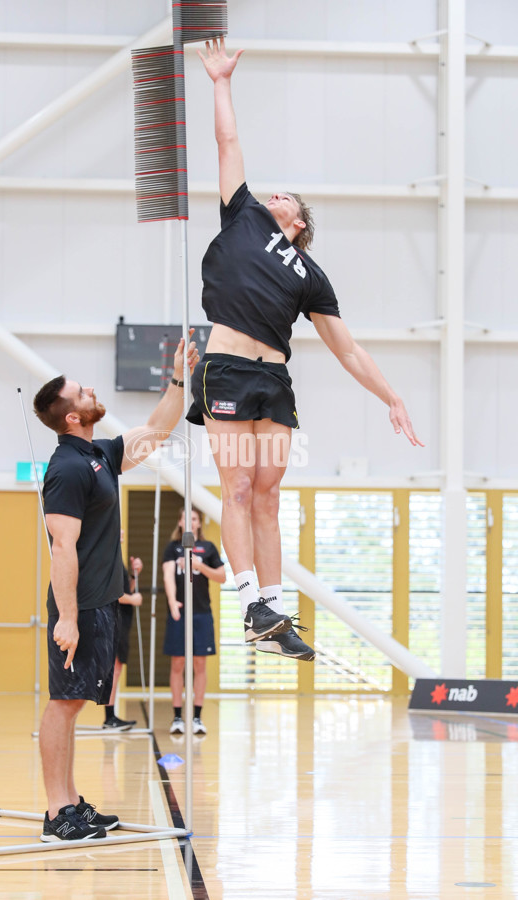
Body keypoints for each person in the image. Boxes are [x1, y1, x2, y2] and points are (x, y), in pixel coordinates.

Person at [187, 38, 424, 662]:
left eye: (282, 198)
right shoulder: (242, 216)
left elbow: (348, 351)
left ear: (298, 220)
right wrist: (220, 82)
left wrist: (391, 395)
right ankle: (249, 604)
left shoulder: (310, 275)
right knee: (235, 486)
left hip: (275, 381)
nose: (272, 197)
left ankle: (271, 611)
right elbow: (228, 146)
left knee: (268, 493)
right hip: (229, 370)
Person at [33, 334, 199, 842]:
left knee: (78, 701)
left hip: (100, 603)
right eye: (83, 392)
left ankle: (72, 802)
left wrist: (178, 378)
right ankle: (57, 811)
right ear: (71, 417)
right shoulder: (64, 469)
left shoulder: (97, 455)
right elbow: (62, 547)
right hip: (78, 607)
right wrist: (66, 616)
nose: (91, 392)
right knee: (64, 702)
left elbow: (155, 429)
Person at [162, 507, 225, 735]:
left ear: (199, 523)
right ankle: (177, 717)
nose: (190, 522)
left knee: (200, 664)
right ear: (180, 522)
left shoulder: (208, 548)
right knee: (178, 663)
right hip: (180, 613)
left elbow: (222, 576)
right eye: (185, 518)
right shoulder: (173, 548)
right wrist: (172, 602)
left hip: (201, 614)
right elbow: (168, 575)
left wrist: (199, 566)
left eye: (194, 518)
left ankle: (197, 718)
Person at [102, 542, 143, 731]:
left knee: (116, 669)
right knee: (113, 669)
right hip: (114, 619)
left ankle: (111, 716)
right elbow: (112, 594)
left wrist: (135, 576)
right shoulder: (107, 557)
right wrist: (133, 599)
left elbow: (125, 589)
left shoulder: (117, 558)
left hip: (123, 620)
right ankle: (109, 718)